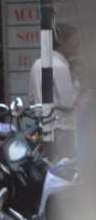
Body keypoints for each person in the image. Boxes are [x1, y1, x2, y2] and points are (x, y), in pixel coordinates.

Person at [28, 23, 81, 158]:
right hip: (62, 130)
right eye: (75, 41)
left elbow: (31, 99)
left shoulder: (37, 64)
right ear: (62, 40)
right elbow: (68, 102)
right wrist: (76, 83)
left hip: (43, 129)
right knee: (63, 172)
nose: (77, 45)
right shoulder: (60, 66)